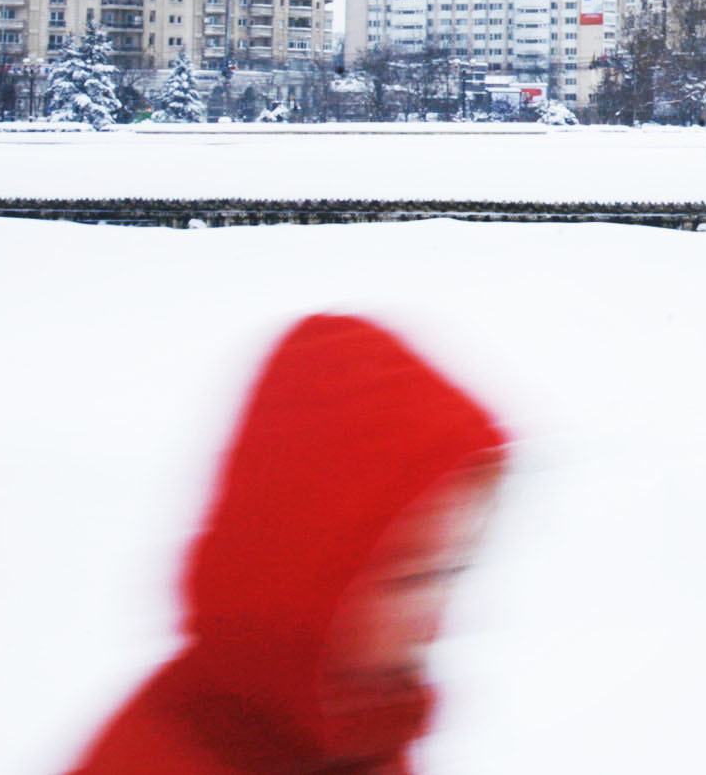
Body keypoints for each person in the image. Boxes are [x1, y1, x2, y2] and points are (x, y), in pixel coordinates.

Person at [67, 314, 508, 775]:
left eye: (447, 573)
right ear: (305, 577)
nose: (436, 625)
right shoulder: (160, 759)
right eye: (406, 579)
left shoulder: (363, 732)